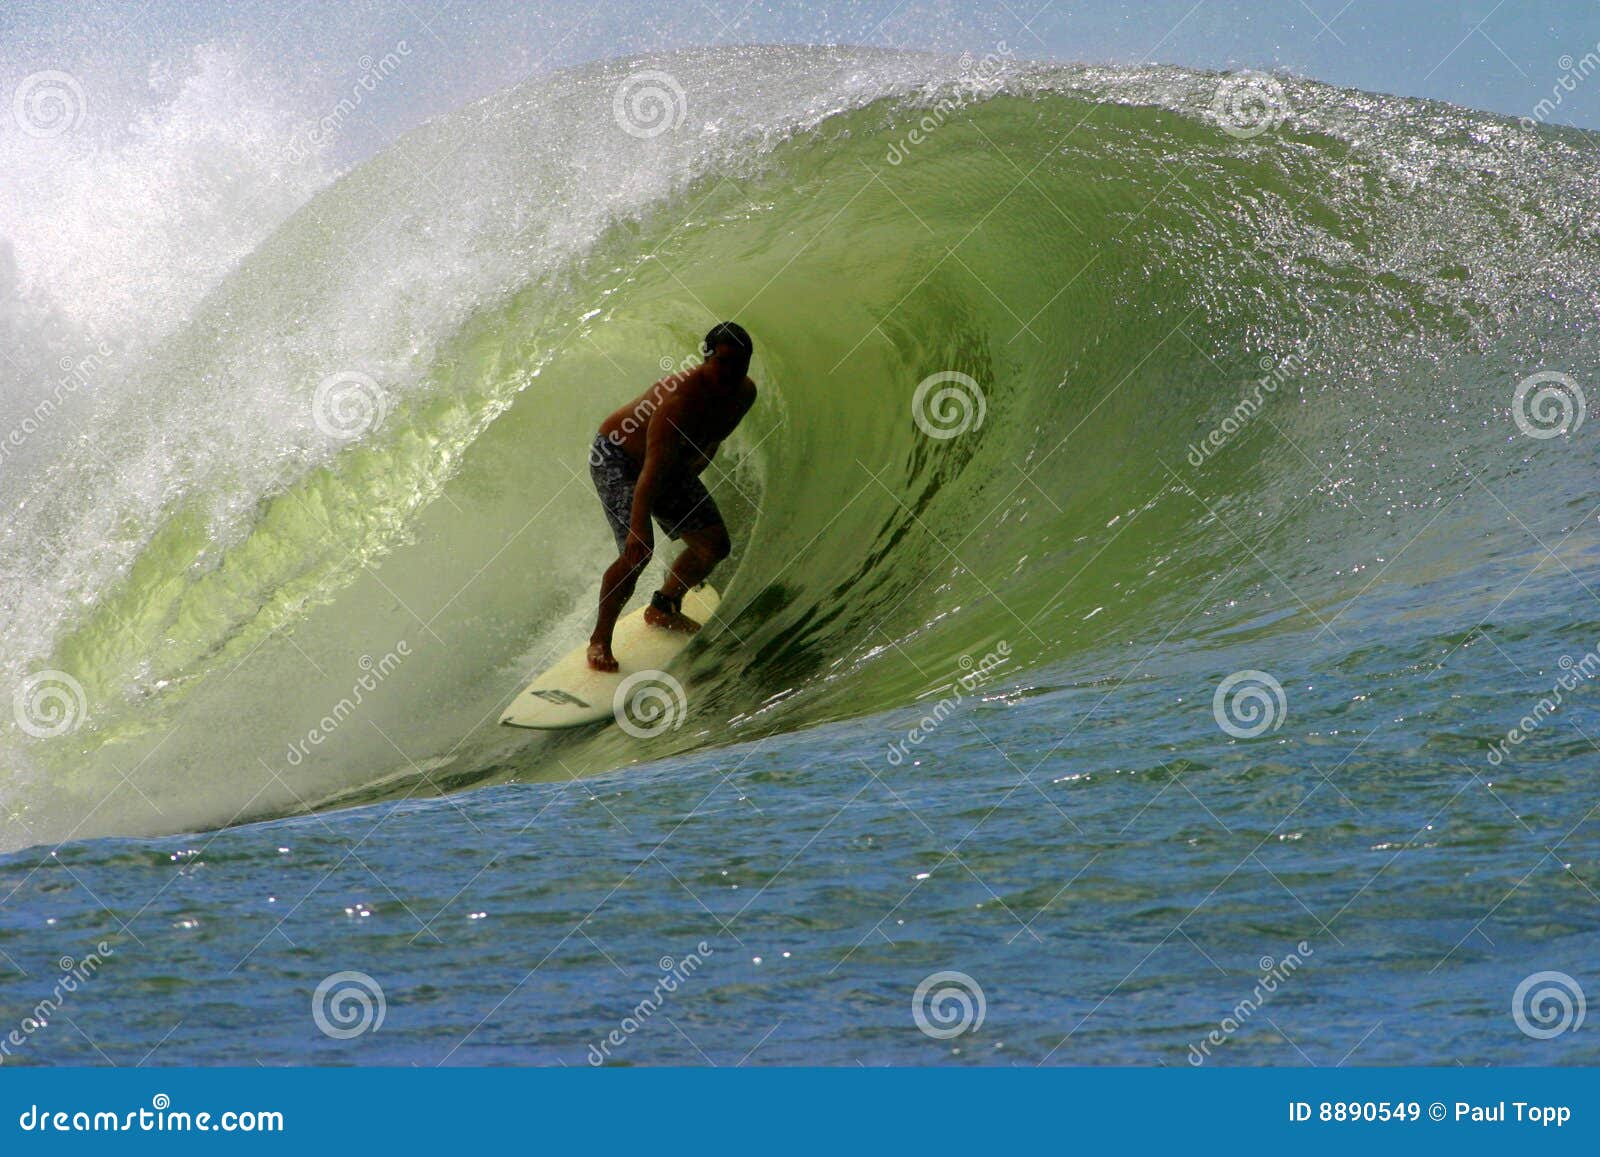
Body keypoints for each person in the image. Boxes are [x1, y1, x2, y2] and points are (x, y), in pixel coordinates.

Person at [586, 322, 757, 672]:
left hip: (667, 461)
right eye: (722, 361)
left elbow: (710, 441)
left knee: (713, 545)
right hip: (617, 457)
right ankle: (599, 641)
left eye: (739, 364)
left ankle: (664, 606)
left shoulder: (743, 393)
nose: (730, 371)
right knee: (638, 553)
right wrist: (638, 528)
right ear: (706, 358)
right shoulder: (678, 400)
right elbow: (650, 471)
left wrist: (688, 483)